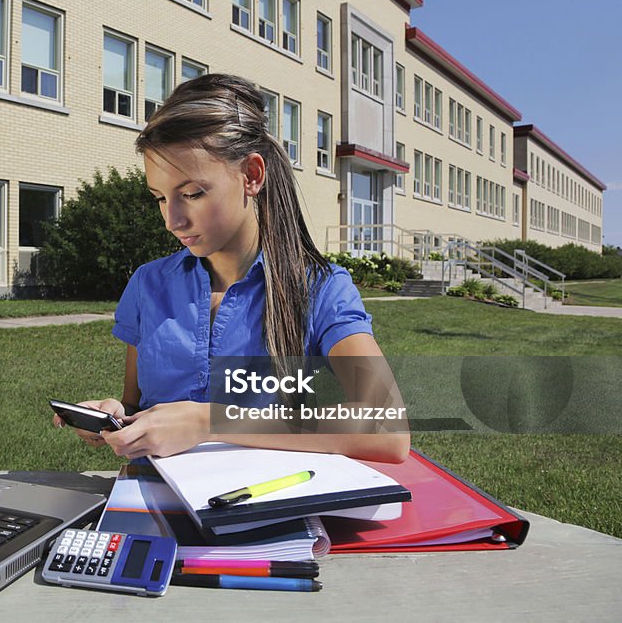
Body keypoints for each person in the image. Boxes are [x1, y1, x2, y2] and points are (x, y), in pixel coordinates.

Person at [53, 73, 409, 464]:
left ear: (252, 176)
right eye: (159, 198)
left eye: (192, 194)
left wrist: (211, 422)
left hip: (269, 506)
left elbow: (388, 431)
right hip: (157, 506)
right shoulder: (148, 284)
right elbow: (136, 405)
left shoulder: (321, 289)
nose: (172, 220)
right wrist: (117, 416)